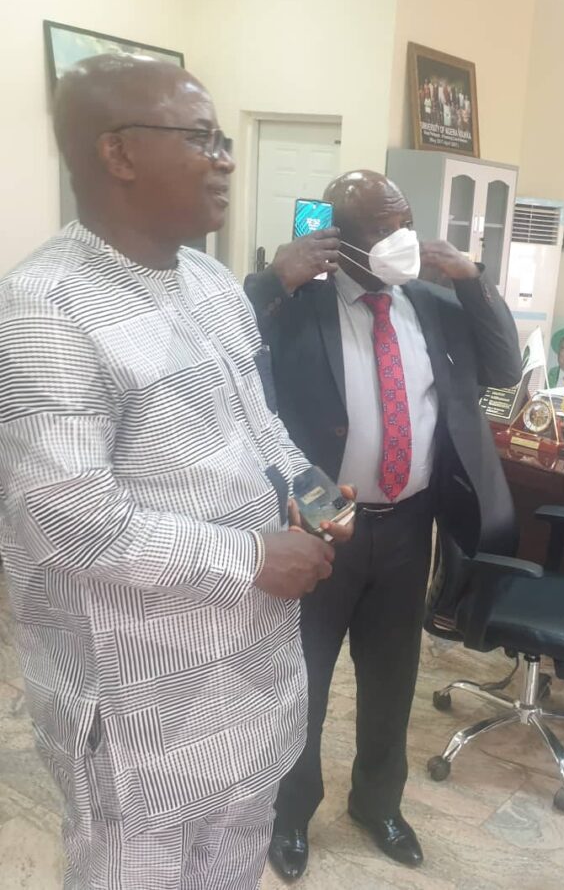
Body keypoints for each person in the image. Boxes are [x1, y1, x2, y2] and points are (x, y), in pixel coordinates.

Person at [0, 55, 355, 889]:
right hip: (141, 711)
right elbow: (69, 520)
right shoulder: (45, 308)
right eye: (201, 139)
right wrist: (254, 559)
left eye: (222, 138)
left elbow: (255, 422)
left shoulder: (210, 281)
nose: (225, 158)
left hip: (253, 680)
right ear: (117, 154)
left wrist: (312, 493)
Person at [244, 170, 521, 881]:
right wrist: (275, 279)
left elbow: (502, 364)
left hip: (408, 524)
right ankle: (290, 814)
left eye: (405, 221)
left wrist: (469, 277)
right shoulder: (297, 307)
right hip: (321, 527)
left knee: (391, 678)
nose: (401, 238)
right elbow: (230, 359)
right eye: (383, 227)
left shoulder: (429, 301)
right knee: (302, 682)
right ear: (339, 238)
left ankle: (377, 804)